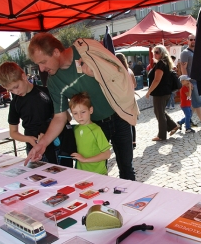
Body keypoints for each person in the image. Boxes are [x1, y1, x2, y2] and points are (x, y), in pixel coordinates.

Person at [26, 33, 137, 181]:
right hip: (94, 125)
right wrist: (43, 144)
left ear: (56, 52)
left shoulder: (86, 50)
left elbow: (119, 72)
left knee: (126, 168)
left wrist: (97, 72)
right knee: (97, 173)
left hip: (119, 116)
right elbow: (59, 117)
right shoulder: (54, 82)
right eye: (38, 64)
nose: (41, 68)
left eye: (43, 61)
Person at [0, 61, 61, 165]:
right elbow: (13, 132)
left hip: (55, 144)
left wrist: (46, 132)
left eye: (16, 86)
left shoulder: (45, 92)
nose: (16, 92)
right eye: (11, 90)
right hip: (33, 148)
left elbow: (60, 116)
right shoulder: (15, 103)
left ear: (23, 76)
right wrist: (27, 139)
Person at [68, 92, 111, 175]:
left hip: (98, 173)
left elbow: (107, 154)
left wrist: (85, 160)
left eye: (83, 112)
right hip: (81, 173)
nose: (79, 116)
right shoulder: (75, 129)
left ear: (90, 110)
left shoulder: (96, 130)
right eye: (75, 113)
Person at [145, 45, 179, 141]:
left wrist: (149, 92)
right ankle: (173, 126)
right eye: (154, 52)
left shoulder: (161, 64)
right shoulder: (165, 63)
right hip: (165, 92)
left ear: (162, 53)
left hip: (160, 93)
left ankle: (162, 135)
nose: (155, 54)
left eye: (157, 52)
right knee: (160, 112)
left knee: (159, 113)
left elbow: (156, 80)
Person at [180, 35, 201, 128]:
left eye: (195, 39)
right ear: (187, 41)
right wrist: (187, 81)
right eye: (191, 39)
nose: (193, 41)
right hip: (191, 80)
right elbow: (183, 67)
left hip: (198, 80)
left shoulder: (197, 52)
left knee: (194, 103)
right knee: (197, 101)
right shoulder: (185, 53)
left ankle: (185, 120)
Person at [115, 52, 137, 149]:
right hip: (131, 98)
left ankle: (127, 142)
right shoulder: (129, 71)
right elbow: (135, 85)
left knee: (124, 121)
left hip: (122, 100)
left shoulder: (118, 72)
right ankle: (133, 141)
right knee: (131, 120)